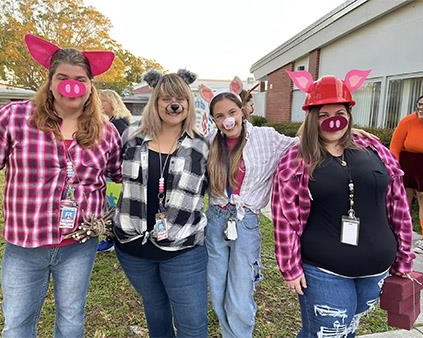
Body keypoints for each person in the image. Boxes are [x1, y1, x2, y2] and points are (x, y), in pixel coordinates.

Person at [0, 34, 121, 338]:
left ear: (90, 84)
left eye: (80, 78)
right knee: (17, 325)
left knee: (71, 322)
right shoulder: (14, 118)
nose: (72, 85)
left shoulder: (106, 132)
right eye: (63, 77)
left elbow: (120, 177)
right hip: (25, 245)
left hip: (79, 246)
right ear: (51, 81)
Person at [272, 70, 414, 338]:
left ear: (348, 114)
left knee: (348, 330)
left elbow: (397, 202)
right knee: (326, 334)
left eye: (339, 112)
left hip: (376, 270)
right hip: (324, 270)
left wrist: (404, 256)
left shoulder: (371, 146)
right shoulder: (297, 156)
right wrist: (290, 267)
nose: (332, 121)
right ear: (312, 118)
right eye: (323, 115)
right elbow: (284, 215)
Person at [112, 69, 209, 337]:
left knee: (192, 325)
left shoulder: (203, 146)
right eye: (166, 98)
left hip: (183, 249)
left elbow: (219, 188)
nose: (173, 104)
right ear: (155, 102)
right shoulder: (130, 136)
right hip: (133, 247)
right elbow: (108, 173)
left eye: (181, 98)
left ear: (189, 103)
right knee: (156, 310)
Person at [204, 84, 298, 337]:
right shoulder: (210, 141)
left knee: (241, 286)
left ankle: (239, 334)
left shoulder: (266, 138)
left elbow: (303, 143)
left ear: (243, 111)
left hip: (246, 221)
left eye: (232, 112)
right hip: (215, 219)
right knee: (217, 283)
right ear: (213, 119)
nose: (227, 120)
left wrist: (349, 132)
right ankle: (227, 331)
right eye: (220, 116)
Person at [96, 89, 133, 253]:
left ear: (112, 102)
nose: (100, 104)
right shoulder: (111, 121)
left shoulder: (119, 124)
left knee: (112, 208)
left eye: (103, 101)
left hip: (116, 174)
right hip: (109, 173)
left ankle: (112, 239)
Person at [390, 94, 423, 253]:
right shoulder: (408, 121)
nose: (422, 108)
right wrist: (394, 168)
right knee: (404, 200)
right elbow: (395, 147)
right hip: (406, 163)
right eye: (420, 104)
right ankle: (400, 235)